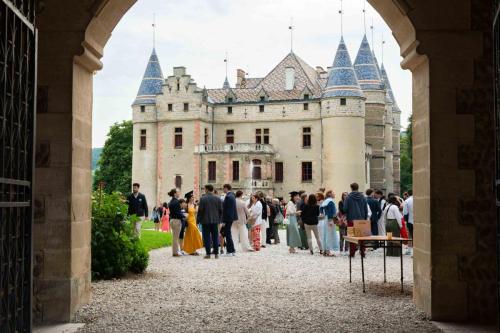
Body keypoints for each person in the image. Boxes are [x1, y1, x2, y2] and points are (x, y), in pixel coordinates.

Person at [197, 184, 223, 259]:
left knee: (207, 237)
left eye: (205, 189)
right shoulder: (218, 198)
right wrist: (219, 220)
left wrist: (198, 220)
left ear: (207, 189)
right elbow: (221, 210)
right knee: (215, 237)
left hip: (205, 221)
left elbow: (200, 211)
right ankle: (216, 254)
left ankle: (208, 253)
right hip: (215, 221)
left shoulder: (203, 198)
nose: (204, 190)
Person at [343, 183, 368, 257]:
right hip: (361, 219)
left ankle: (352, 253)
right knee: (362, 237)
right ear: (358, 188)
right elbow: (365, 209)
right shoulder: (363, 197)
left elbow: (345, 209)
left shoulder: (348, 197)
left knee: (351, 237)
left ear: (351, 188)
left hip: (351, 219)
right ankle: (362, 252)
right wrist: (365, 218)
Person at [319, 190, 339, 256]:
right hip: (329, 219)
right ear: (330, 194)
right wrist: (331, 220)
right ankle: (328, 250)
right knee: (329, 235)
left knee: (325, 234)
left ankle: (325, 250)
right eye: (333, 193)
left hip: (325, 219)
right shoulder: (330, 201)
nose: (334, 194)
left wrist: (323, 214)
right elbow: (332, 212)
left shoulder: (325, 201)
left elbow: (321, 209)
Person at [222, 184, 238, 256]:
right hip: (231, 218)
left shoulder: (228, 196)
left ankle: (229, 251)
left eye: (223, 188)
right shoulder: (232, 195)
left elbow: (227, 210)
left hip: (228, 218)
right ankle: (232, 250)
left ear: (226, 188)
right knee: (228, 234)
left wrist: (224, 220)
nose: (223, 190)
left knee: (227, 234)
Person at [168, 188, 183, 257]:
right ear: (174, 194)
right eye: (178, 192)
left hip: (172, 220)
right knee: (176, 237)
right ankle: (175, 252)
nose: (179, 193)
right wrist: (184, 216)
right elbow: (178, 213)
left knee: (174, 237)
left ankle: (175, 251)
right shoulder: (176, 202)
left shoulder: (171, 201)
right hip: (176, 220)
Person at [403, 190, 414, 255]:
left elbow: (405, 212)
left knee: (410, 235)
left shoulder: (407, 201)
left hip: (410, 220)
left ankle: (410, 250)